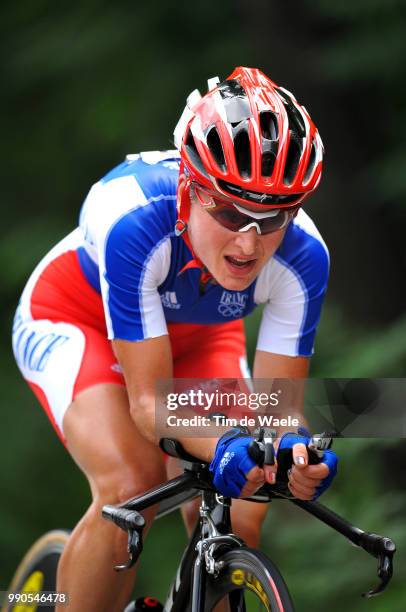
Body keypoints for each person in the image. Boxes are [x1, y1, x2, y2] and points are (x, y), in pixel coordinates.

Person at [12, 66, 338, 611]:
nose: (250, 239)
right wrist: (224, 442)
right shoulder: (132, 216)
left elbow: (279, 412)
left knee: (247, 502)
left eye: (275, 213)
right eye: (231, 209)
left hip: (199, 340)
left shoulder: (305, 257)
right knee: (129, 486)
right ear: (189, 186)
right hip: (74, 320)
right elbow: (147, 402)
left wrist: (298, 456)